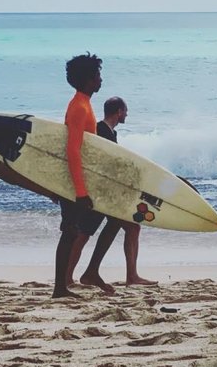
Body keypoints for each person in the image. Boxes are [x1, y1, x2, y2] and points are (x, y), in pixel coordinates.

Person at [66, 97, 157, 294]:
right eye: (125, 111)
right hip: (99, 195)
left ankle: (82, 274)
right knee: (87, 233)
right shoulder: (101, 131)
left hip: (102, 193)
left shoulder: (109, 132)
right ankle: (129, 276)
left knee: (90, 232)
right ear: (118, 111)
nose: (127, 114)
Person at [53, 52, 102, 299]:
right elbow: (73, 150)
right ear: (88, 80)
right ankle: (59, 288)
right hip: (75, 183)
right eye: (97, 75)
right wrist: (81, 192)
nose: (100, 80)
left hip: (77, 181)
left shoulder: (83, 102)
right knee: (70, 231)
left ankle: (61, 287)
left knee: (71, 231)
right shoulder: (79, 107)